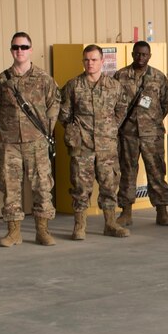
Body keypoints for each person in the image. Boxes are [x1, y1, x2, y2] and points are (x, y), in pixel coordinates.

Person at [0, 31, 60, 247]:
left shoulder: (44, 79)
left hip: (36, 142)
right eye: (16, 47)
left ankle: (42, 230)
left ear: (31, 49)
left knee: (42, 186)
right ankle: (14, 232)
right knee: (10, 187)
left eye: (24, 47)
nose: (20, 51)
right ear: (11, 50)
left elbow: (54, 106)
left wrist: (45, 130)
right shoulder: (1, 81)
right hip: (10, 144)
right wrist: (6, 131)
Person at [58, 44, 129, 239]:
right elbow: (64, 114)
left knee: (109, 185)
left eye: (94, 60)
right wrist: (75, 131)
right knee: (81, 187)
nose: (90, 63)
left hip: (107, 147)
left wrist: (110, 127)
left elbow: (122, 109)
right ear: (83, 61)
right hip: (83, 146)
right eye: (87, 60)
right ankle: (79, 226)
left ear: (102, 61)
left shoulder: (114, 86)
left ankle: (111, 223)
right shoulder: (73, 85)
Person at [112, 41, 168, 227]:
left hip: (151, 134)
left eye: (144, 54)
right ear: (132, 54)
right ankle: (126, 211)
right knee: (127, 171)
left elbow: (165, 104)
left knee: (156, 171)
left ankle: (162, 211)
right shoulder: (120, 76)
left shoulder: (158, 77)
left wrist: (151, 122)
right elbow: (113, 103)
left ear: (150, 56)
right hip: (128, 134)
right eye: (137, 54)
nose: (140, 58)